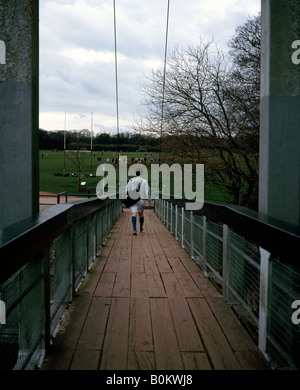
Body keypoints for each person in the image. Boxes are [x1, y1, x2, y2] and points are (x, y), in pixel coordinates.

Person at [126, 168, 151, 235]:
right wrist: (149, 200)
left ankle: (134, 230)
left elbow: (127, 189)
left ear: (135, 174)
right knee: (141, 214)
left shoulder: (131, 180)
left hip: (133, 200)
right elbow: (148, 191)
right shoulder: (144, 181)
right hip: (141, 200)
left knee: (134, 214)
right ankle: (141, 228)